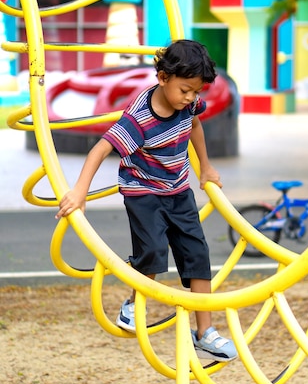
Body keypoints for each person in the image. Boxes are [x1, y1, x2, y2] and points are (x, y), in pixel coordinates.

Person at [56, 39, 237, 362]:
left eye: (196, 92)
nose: (191, 98)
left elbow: (194, 124)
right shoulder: (140, 117)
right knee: (152, 250)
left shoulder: (188, 104)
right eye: (185, 90)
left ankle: (205, 333)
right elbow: (101, 149)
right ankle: (133, 303)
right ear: (163, 77)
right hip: (143, 191)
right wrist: (80, 191)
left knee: (198, 253)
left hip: (178, 187)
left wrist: (205, 167)